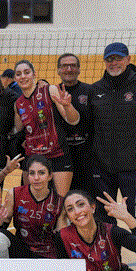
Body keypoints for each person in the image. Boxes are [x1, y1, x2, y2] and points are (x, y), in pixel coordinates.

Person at [90, 42, 136, 230]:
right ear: (104, 62)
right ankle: (109, 250)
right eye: (109, 59)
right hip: (102, 169)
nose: (114, 63)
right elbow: (89, 127)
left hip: (132, 168)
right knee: (103, 219)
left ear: (128, 59)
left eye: (118, 58)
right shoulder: (95, 90)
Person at [12, 59, 79, 197]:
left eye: (26, 72)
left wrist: (67, 106)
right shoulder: (18, 104)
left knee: (60, 201)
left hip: (57, 154)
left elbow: (73, 121)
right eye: (18, 74)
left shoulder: (49, 90)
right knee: (32, 200)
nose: (23, 76)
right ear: (15, 78)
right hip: (33, 157)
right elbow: (18, 130)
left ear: (34, 74)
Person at [0, 155, 64, 259]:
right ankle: (2, 270)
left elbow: (62, 237)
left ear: (50, 176)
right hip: (22, 250)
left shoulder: (59, 201)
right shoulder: (15, 193)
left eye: (41, 173)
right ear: (27, 176)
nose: (36, 178)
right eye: (32, 173)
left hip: (47, 255)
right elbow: (2, 226)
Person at [57, 53, 94, 193]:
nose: (69, 69)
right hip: (61, 158)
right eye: (65, 66)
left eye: (73, 66)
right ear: (58, 70)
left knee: (86, 198)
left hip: (87, 158)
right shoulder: (52, 92)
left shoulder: (90, 91)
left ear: (79, 69)